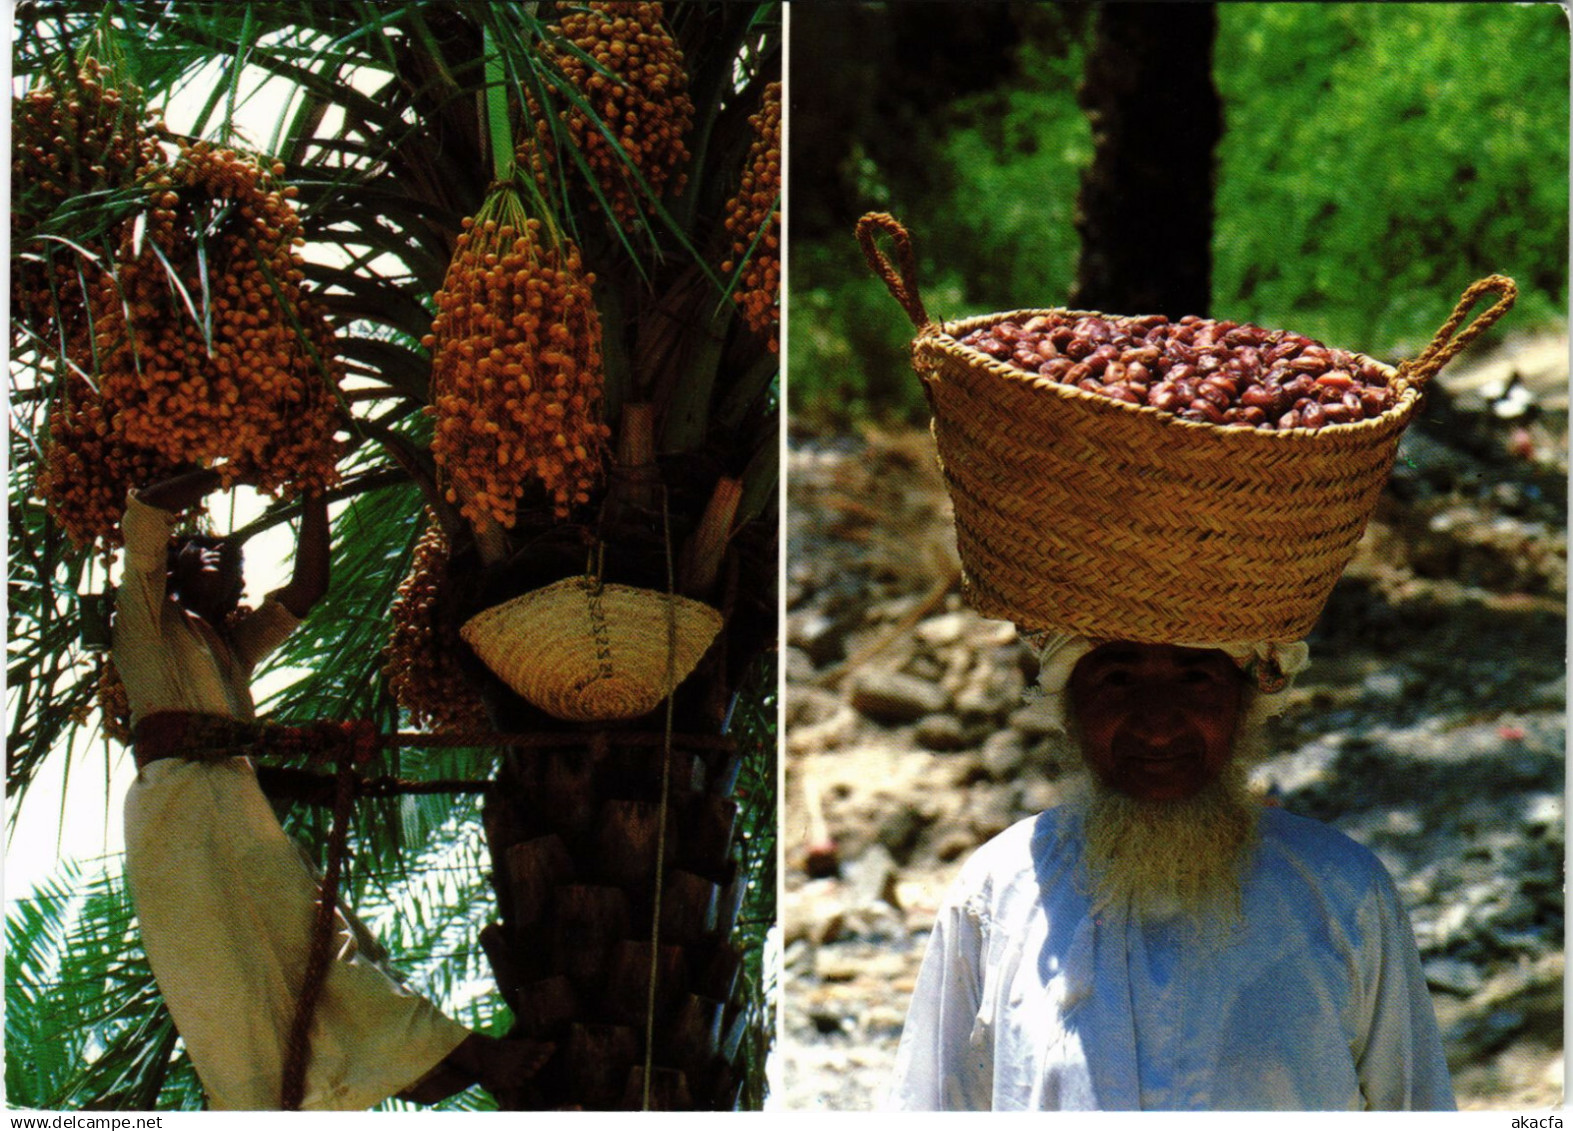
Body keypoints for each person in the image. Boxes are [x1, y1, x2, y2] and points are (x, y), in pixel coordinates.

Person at [115, 467, 549, 1110]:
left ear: (239, 586)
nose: (221, 555)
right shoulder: (145, 620)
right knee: (237, 977)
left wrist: (315, 487)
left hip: (231, 811)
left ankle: (420, 1059)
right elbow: (147, 510)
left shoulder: (228, 647)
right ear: (170, 571)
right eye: (200, 548)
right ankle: (443, 1059)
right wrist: (232, 470)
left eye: (233, 557)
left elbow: (306, 590)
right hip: (179, 821)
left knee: (324, 939)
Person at [886, 631, 1455, 1112]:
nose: (1157, 725)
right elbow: (932, 1104)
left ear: (1243, 705)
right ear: (1070, 709)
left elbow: (1415, 1103)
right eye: (1117, 680)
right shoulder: (999, 888)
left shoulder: (1341, 888)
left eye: (1195, 679)